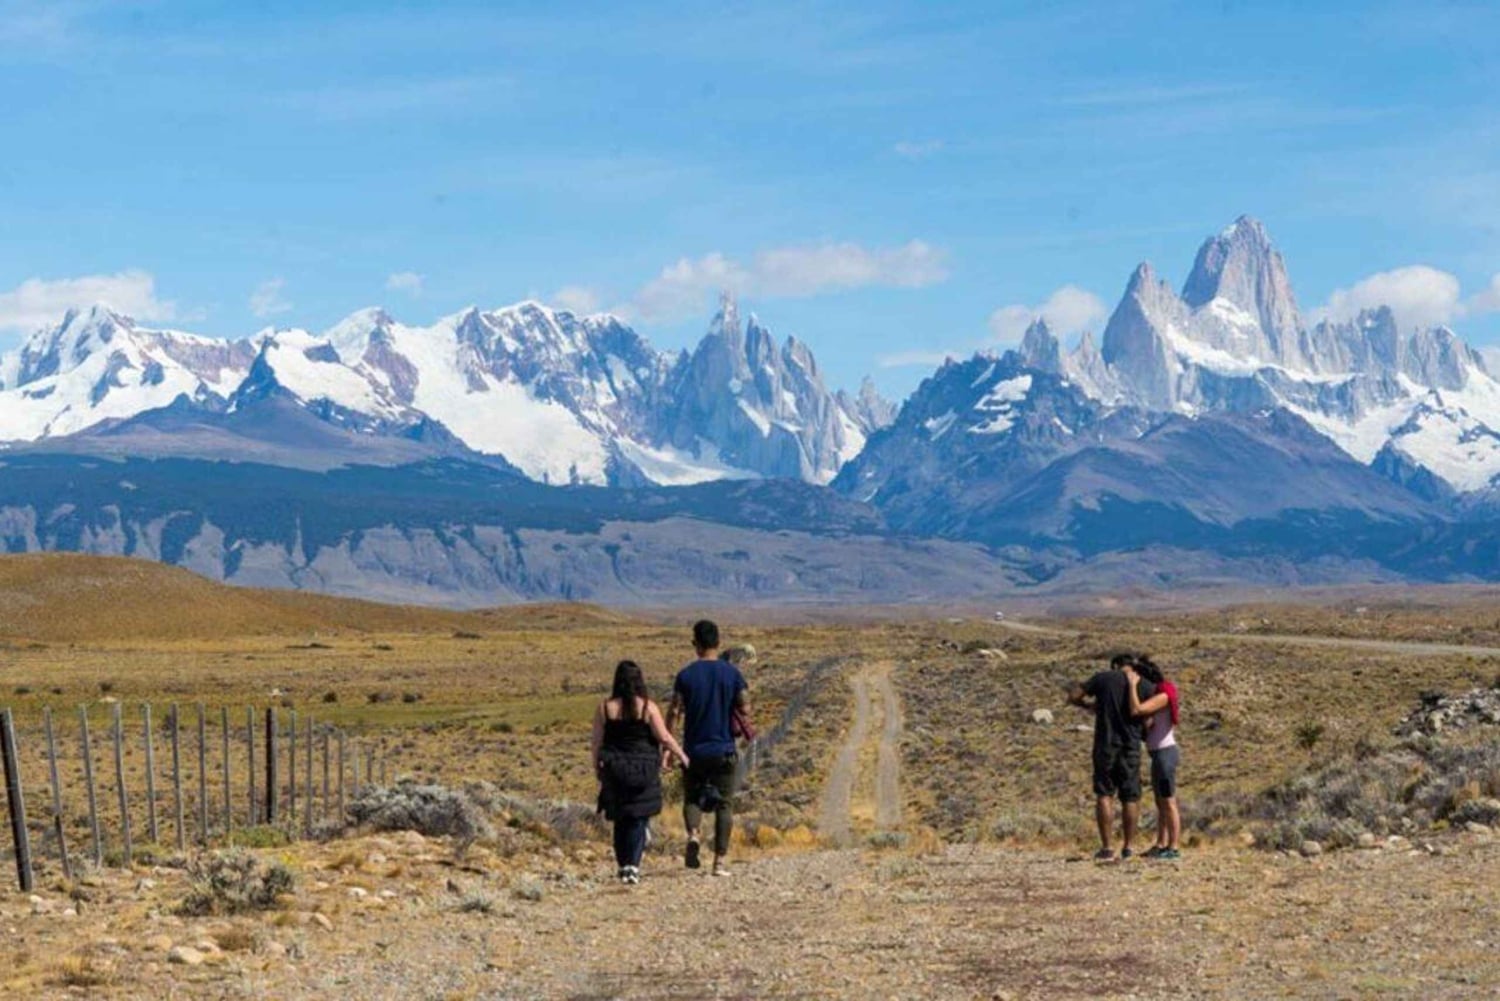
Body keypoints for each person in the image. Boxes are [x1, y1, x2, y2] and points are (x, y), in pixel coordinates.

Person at [591, 660, 689, 884]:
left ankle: (623, 864)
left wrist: (597, 767)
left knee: (620, 818)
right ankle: (633, 865)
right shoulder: (648, 707)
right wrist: (681, 755)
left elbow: (596, 742)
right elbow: (663, 736)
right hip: (644, 769)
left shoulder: (605, 708)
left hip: (615, 770)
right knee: (638, 818)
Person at [667, 619, 750, 877]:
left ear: (696, 644)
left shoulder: (685, 675)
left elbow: (675, 711)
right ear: (718, 643)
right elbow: (745, 708)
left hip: (694, 750)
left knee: (692, 797)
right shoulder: (732, 674)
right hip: (724, 749)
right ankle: (719, 863)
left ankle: (693, 834)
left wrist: (669, 745)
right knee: (725, 804)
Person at [1067, 653, 1156, 860]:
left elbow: (1074, 696)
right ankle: (1129, 846)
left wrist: (1088, 706)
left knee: (1104, 794)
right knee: (1130, 797)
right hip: (1130, 745)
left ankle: (1107, 848)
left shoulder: (1102, 678)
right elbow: (1149, 720)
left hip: (1105, 744)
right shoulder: (1144, 684)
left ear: (1115, 665)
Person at [1124, 656, 1181, 860]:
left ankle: (1173, 847)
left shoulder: (1163, 696)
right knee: (1160, 802)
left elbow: (1136, 709)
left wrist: (1132, 686)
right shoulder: (1158, 696)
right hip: (1158, 754)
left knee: (1168, 801)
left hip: (1165, 754)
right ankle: (1161, 843)